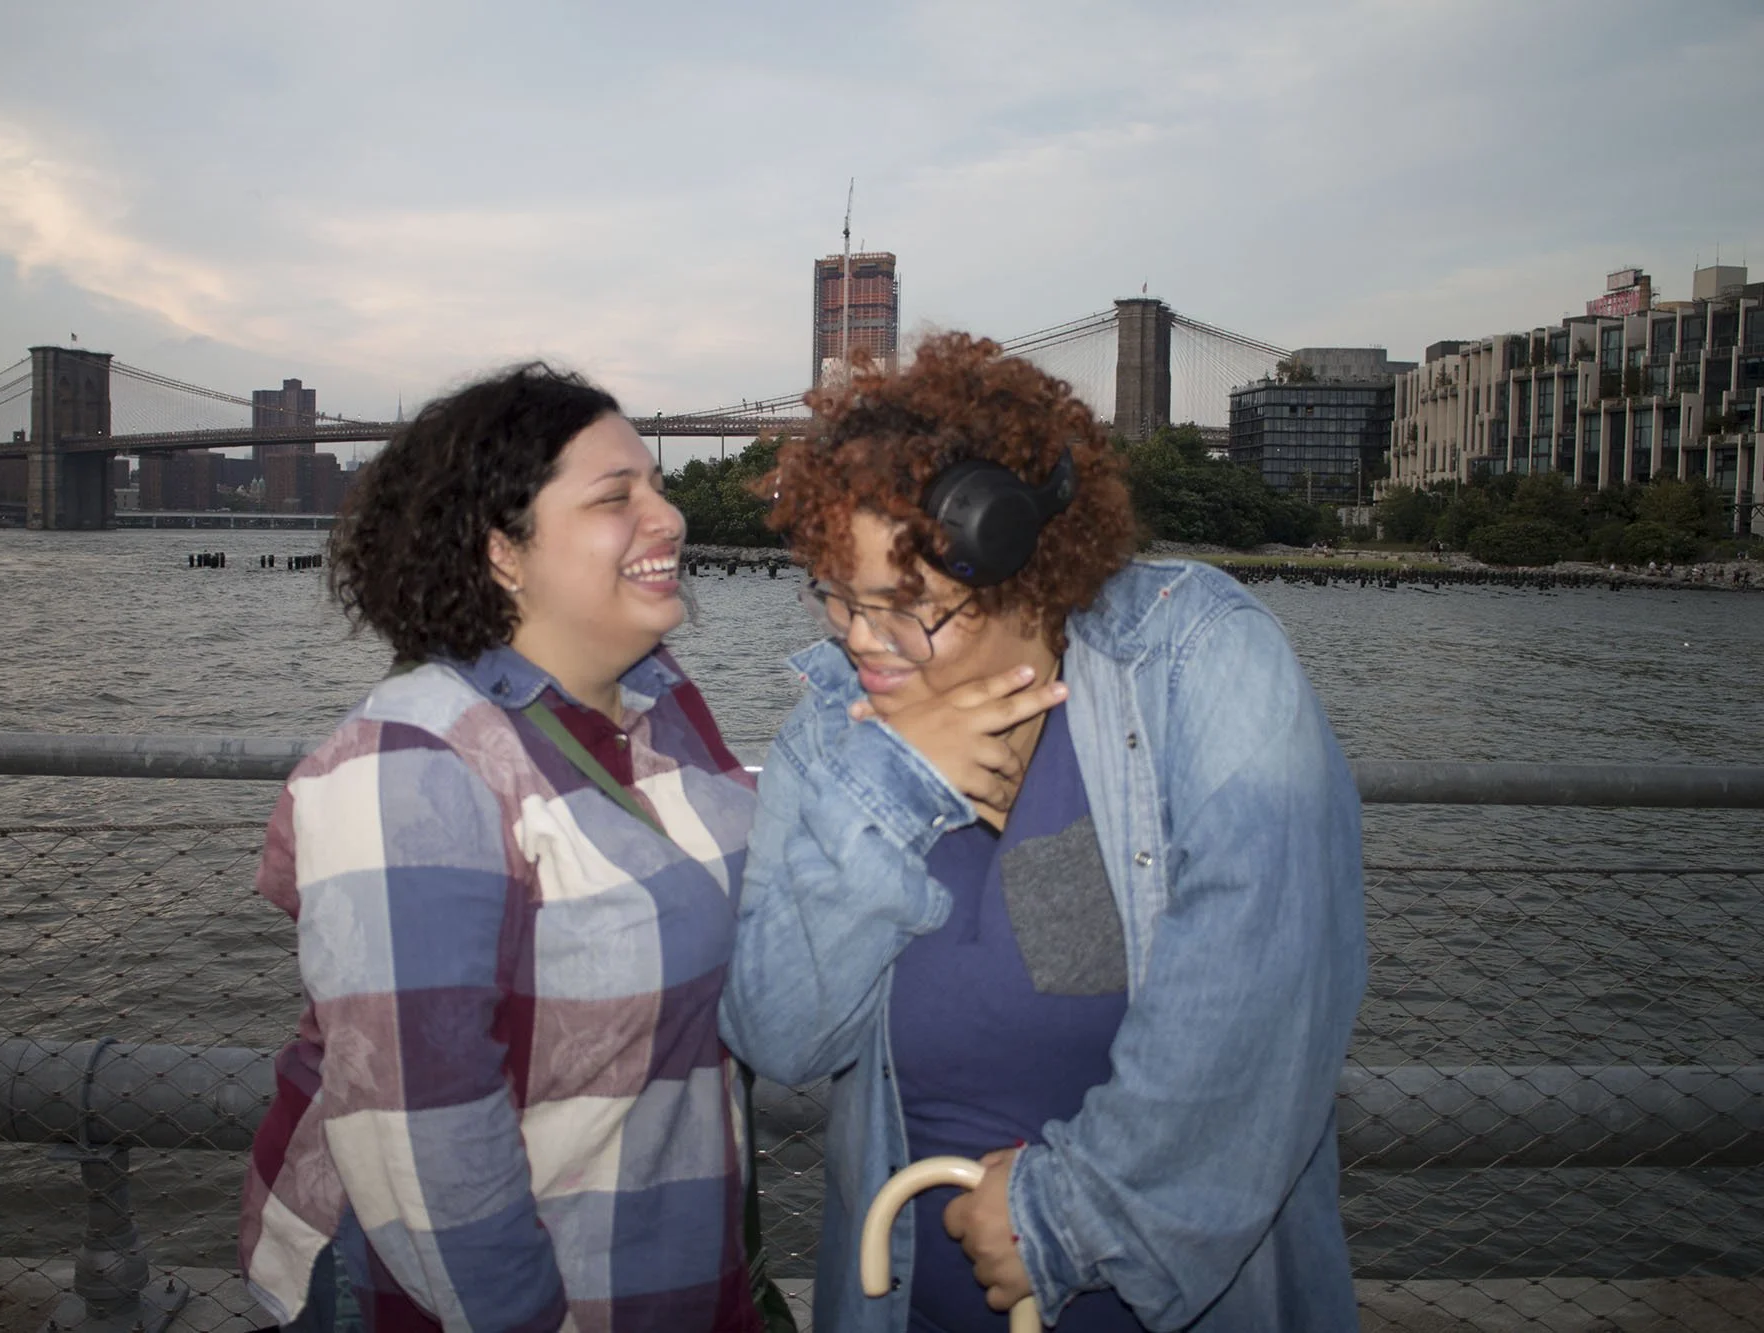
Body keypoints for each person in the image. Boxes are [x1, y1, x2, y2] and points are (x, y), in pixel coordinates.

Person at [721, 335, 1366, 1332]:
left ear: (1021, 567)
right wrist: (896, 780)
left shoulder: (1198, 662)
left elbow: (1257, 1015)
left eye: (905, 605)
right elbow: (780, 1032)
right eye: (837, 595)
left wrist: (1057, 1219)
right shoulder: (828, 732)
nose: (855, 637)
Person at [241, 364, 765, 1332]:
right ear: (503, 552)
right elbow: (426, 1152)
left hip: (666, 1270)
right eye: (618, 497)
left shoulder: (658, 701)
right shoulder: (412, 765)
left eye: (657, 484)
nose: (670, 515)